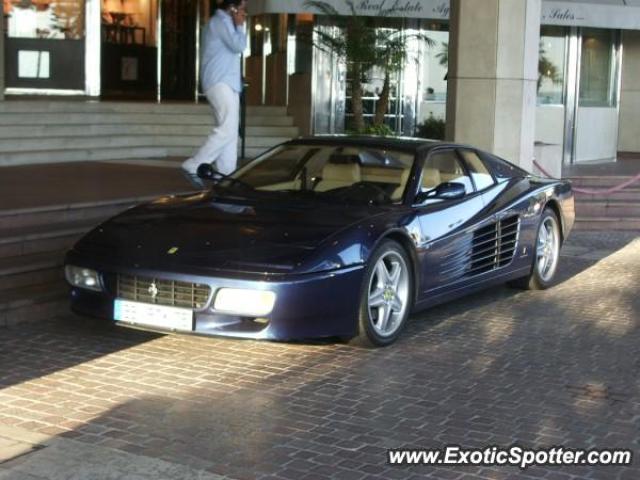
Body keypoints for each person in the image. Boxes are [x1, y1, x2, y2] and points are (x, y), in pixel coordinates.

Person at [182, 0, 247, 177]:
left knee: (231, 132)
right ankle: (195, 163)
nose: (244, 12)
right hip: (220, 82)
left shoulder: (222, 23)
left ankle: (226, 174)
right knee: (227, 127)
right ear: (232, 8)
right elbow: (239, 46)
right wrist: (240, 26)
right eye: (242, 8)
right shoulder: (221, 22)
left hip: (226, 82)